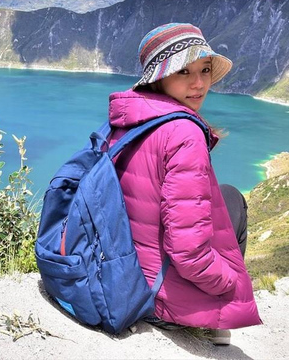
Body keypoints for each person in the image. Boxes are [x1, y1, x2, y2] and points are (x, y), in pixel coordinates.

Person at [107, 23, 261, 345]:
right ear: (160, 77)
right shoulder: (184, 133)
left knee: (222, 197)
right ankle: (217, 321)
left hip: (122, 274)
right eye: (183, 72)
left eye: (205, 70)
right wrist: (229, 283)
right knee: (233, 199)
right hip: (158, 300)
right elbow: (188, 251)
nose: (198, 83)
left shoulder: (129, 118)